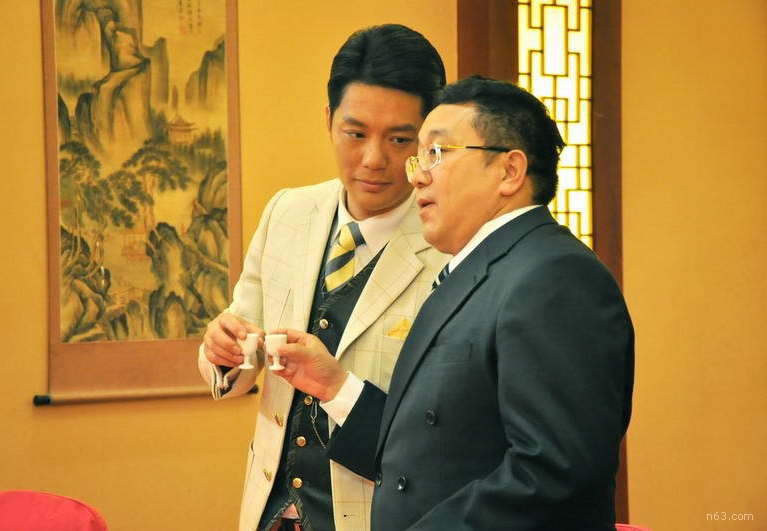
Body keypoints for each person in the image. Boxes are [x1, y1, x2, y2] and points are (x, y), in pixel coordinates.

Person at [274, 76, 635, 530]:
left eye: (437, 153)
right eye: (419, 157)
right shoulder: (470, 273)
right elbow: (428, 457)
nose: (417, 175)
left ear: (509, 171)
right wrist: (333, 388)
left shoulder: (555, 277)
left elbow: (554, 472)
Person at [197, 24, 448, 531]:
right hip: (270, 511)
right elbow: (243, 346)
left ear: (429, 140)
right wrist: (223, 351)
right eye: (355, 134)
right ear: (329, 119)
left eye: (400, 139)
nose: (373, 159)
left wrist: (338, 388)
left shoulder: (448, 246)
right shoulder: (288, 211)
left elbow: (442, 432)